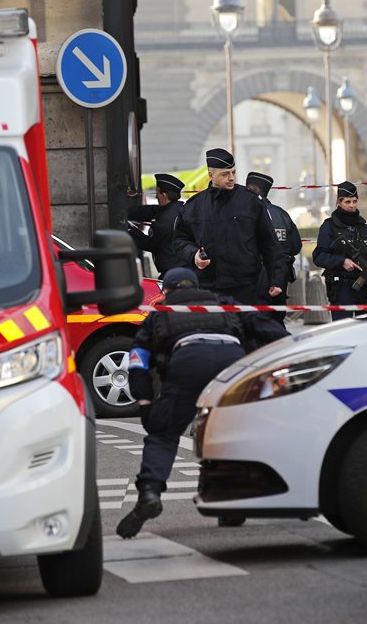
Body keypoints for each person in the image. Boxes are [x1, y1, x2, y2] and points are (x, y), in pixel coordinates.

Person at [115, 267, 287, 538]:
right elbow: (267, 328)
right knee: (229, 433)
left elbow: (138, 361)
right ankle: (230, 503)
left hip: (187, 362)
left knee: (163, 434)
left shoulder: (160, 313)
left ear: (167, 291)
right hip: (232, 364)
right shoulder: (224, 304)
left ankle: (150, 493)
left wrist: (146, 403)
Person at [171, 148, 285, 306]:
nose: (231, 178)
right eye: (225, 174)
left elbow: (269, 243)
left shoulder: (250, 201)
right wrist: (194, 255)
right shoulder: (194, 206)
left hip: (246, 288)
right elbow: (180, 241)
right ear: (211, 175)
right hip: (209, 289)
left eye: (233, 172)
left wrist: (276, 279)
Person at [312, 181, 367, 320]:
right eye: (347, 202)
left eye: (354, 201)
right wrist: (342, 261)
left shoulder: (366, 230)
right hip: (341, 287)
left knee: (366, 329)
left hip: (365, 288)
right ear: (339, 202)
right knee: (341, 330)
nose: (352, 205)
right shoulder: (329, 227)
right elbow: (318, 256)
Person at [245, 171, 302, 325]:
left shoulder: (245, 213)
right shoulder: (282, 214)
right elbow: (296, 246)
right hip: (280, 275)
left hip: (254, 276)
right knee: (276, 319)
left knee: (255, 321)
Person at [127, 173, 185, 276]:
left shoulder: (163, 222)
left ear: (164, 195)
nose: (155, 196)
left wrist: (131, 231)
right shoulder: (179, 209)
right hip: (181, 265)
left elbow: (150, 244)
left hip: (172, 271)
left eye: (157, 193)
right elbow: (151, 211)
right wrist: (128, 212)